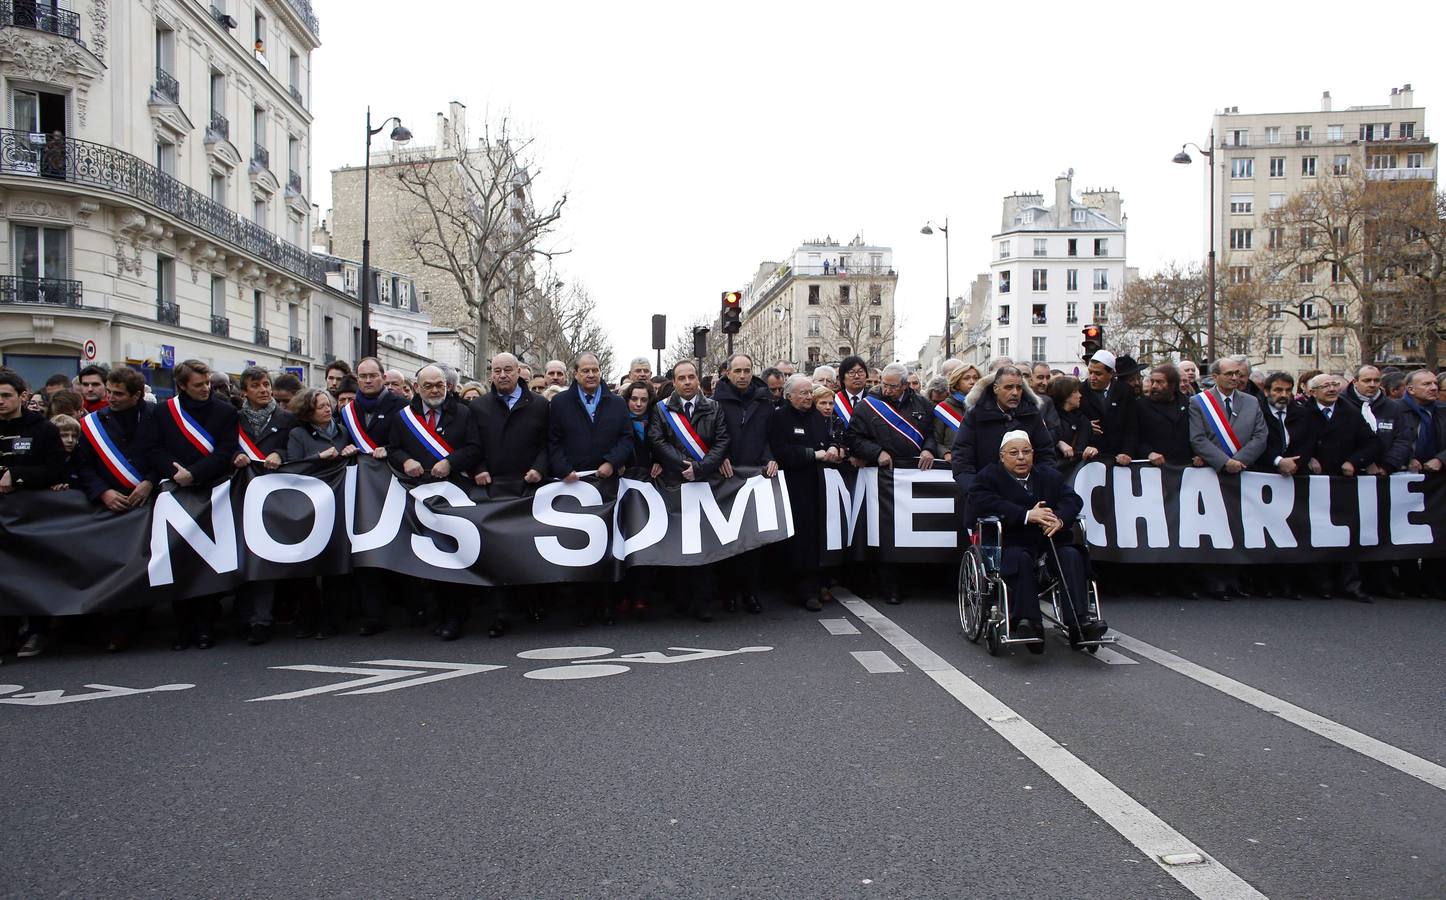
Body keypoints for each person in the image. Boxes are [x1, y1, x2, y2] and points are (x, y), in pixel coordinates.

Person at [966, 430, 1105, 644]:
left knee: (1071, 555)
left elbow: (1072, 500)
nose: (1021, 457)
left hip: (1048, 541)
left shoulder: (1048, 476)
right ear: (1002, 456)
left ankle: (1080, 622)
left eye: (1026, 452)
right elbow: (982, 502)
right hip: (1010, 541)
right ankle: (1029, 622)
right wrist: (1026, 515)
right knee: (1020, 558)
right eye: (1014, 453)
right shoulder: (989, 476)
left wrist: (1059, 519)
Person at [142, 359, 240, 650]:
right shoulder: (163, 412)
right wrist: (176, 473)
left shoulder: (225, 411)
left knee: (208, 560)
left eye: (207, 383)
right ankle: (183, 626)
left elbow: (225, 452)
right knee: (178, 559)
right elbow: (152, 448)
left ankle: (206, 625)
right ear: (182, 385)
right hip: (175, 493)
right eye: (198, 385)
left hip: (212, 491)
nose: (205, 389)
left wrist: (195, 473)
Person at [389, 364, 482, 640]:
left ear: (448, 386)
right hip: (418, 495)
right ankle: (434, 612)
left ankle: (455, 616)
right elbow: (393, 448)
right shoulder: (403, 417)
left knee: (453, 554)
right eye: (428, 386)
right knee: (428, 556)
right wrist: (406, 460)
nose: (434, 390)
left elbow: (475, 448)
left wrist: (450, 462)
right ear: (417, 388)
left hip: (454, 493)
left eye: (439, 385)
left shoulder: (463, 413)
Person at [72, 366, 158, 651]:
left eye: (118, 393)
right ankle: (105, 626)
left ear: (136, 395)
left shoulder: (156, 416)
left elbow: (166, 453)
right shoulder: (93, 424)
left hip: (146, 502)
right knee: (109, 566)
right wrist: (103, 492)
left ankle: (132, 624)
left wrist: (150, 481)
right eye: (109, 391)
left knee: (140, 566)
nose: (111, 398)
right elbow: (83, 465)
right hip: (110, 505)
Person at [549, 352, 635, 624]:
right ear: (575, 374)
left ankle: (606, 605)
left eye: (594, 370)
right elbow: (553, 441)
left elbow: (627, 438)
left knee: (607, 546)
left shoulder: (616, 402)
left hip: (606, 485)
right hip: (573, 487)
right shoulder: (560, 403)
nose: (590, 374)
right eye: (585, 370)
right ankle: (582, 608)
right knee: (579, 545)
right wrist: (564, 469)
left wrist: (611, 462)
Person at [470, 352, 551, 636]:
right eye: (497, 371)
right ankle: (499, 614)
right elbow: (471, 444)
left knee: (528, 550)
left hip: (529, 487)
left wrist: (540, 468)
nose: (502, 375)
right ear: (491, 374)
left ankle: (532, 603)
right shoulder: (478, 406)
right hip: (491, 489)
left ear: (518, 371)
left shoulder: (540, 405)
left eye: (507, 370)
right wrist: (478, 468)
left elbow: (548, 443)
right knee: (496, 552)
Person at [849, 362, 940, 605]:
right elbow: (853, 438)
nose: (886, 390)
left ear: (905, 385)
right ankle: (889, 587)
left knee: (912, 532)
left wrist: (929, 449)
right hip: (884, 478)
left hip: (913, 476)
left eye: (892, 386)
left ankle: (911, 583)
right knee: (887, 534)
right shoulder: (867, 406)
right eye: (884, 385)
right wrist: (876, 452)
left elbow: (931, 433)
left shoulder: (921, 404)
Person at [649, 359, 732, 620]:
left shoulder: (714, 407)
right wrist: (682, 465)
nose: (687, 382)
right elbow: (657, 440)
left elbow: (722, 440)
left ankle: (703, 601)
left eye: (691, 377)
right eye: (681, 378)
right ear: (674, 382)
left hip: (705, 484)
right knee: (679, 543)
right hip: (674, 484)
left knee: (705, 544)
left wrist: (701, 468)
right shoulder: (661, 409)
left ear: (698, 379)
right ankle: (680, 599)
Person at [1285, 373, 1378, 600]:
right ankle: (1320, 583)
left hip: (1342, 482)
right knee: (1315, 533)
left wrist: (1354, 461)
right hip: (1312, 483)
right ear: (1312, 391)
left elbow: (1372, 443)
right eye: (1325, 386)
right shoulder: (1302, 412)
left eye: (1335, 384)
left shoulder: (1350, 412)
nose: (1332, 389)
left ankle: (1350, 584)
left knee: (1348, 533)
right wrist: (1307, 458)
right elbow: (1290, 442)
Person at [0, 369, 69, 660]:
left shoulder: (43, 430)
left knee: (31, 574)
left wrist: (17, 475)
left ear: (23, 396)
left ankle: (37, 631)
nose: (0, 401)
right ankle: (5, 634)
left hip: (31, 516)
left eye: (5, 395)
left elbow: (57, 470)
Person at [336, 357, 406, 634]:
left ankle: (410, 607)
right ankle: (373, 615)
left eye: (372, 375)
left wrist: (390, 449)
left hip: (392, 486)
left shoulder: (400, 405)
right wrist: (344, 449)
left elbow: (407, 442)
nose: (367, 380)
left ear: (382, 376)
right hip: (360, 490)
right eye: (362, 376)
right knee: (366, 550)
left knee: (397, 546)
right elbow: (341, 440)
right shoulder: (347, 411)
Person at [285, 387, 358, 638]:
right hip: (308, 507)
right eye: (320, 406)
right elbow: (293, 467)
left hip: (337, 505)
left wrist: (350, 452)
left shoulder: (343, 431)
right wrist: (319, 457)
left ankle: (332, 619)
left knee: (334, 565)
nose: (327, 409)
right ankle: (308, 616)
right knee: (306, 566)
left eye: (328, 404)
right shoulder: (298, 434)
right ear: (308, 411)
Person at [231, 366, 296, 644]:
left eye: (266, 384)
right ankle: (242, 616)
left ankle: (261, 619)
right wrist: (235, 455)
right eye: (256, 386)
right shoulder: (234, 419)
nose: (264, 390)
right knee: (241, 557)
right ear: (245, 391)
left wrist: (280, 454)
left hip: (272, 498)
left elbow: (295, 448)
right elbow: (223, 446)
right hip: (240, 496)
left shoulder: (286, 418)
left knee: (265, 557)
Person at [712, 354, 777, 614]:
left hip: (755, 477)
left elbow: (769, 436)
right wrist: (720, 458)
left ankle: (750, 592)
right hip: (726, 476)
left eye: (747, 370)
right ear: (727, 373)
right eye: (737, 370)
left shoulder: (764, 400)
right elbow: (713, 437)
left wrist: (770, 458)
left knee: (753, 540)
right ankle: (727, 593)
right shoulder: (715, 401)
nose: (742, 375)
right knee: (727, 539)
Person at [769, 374, 840, 611]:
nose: (809, 397)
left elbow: (829, 440)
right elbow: (780, 451)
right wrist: (811, 455)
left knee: (815, 536)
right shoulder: (779, 417)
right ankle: (803, 589)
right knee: (799, 539)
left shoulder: (817, 417)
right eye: (803, 393)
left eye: (810, 392)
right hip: (793, 486)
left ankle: (817, 583)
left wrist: (833, 447)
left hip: (817, 484)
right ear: (789, 395)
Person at [950, 365, 1056, 482]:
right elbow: (962, 459)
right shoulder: (975, 415)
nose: (1015, 392)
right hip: (985, 488)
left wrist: (1040, 485)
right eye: (1009, 387)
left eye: (1019, 388)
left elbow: (1046, 454)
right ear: (996, 388)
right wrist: (976, 489)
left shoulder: (1032, 414)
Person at [1188, 357, 1267, 475]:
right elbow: (1198, 439)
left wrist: (1238, 461)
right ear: (1215, 376)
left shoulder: (1252, 402)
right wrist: (1224, 462)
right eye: (1229, 374)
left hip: (1244, 471)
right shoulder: (1199, 402)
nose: (1235, 378)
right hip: (1212, 472)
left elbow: (1260, 437)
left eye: (1237, 373)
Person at [1080, 350, 1137, 462]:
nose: (1092, 377)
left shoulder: (1125, 392)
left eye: (1098, 374)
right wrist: (1086, 426)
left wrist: (1127, 452)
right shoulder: (1080, 391)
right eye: (1090, 372)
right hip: (1090, 458)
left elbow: (1132, 426)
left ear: (1111, 373)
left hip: (1118, 458)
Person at [1132, 363, 1195, 466]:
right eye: (1152, 381)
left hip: (1185, 467)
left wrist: (1197, 454)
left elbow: (1196, 434)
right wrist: (1148, 453)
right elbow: (1134, 436)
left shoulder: (1188, 404)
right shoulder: (1141, 406)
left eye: (1159, 382)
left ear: (1172, 385)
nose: (1154, 386)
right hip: (1153, 467)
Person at [1043, 375, 1092, 469]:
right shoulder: (1049, 417)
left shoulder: (1082, 419)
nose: (1080, 395)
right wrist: (1057, 443)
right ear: (1066, 395)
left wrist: (1091, 450)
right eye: (1075, 392)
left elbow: (1084, 445)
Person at [931, 365, 973, 461]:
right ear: (957, 383)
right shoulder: (943, 409)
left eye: (975, 378)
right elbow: (935, 440)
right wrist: (945, 452)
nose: (972, 382)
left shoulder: (983, 406)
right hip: (953, 463)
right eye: (967, 378)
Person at [834, 355, 870, 429]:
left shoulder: (873, 399)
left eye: (860, 372)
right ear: (842, 378)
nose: (857, 376)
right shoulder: (834, 400)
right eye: (851, 372)